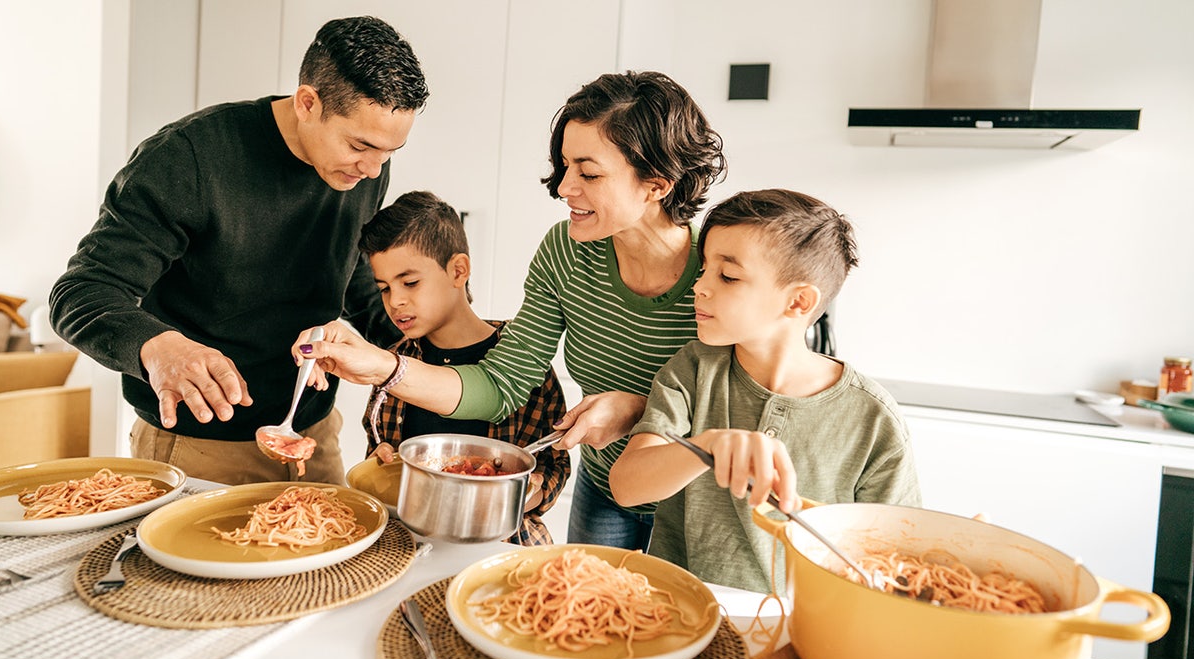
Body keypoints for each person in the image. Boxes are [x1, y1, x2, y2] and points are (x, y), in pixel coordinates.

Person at [293, 71, 725, 549]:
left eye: (589, 172)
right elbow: (499, 385)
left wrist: (641, 412)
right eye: (564, 166)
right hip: (606, 490)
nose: (564, 187)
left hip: (700, 499)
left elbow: (755, 412)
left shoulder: (724, 266)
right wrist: (381, 365)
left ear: (656, 185)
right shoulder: (566, 252)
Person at [48, 16, 429, 485]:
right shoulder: (188, 158)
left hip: (312, 435)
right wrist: (158, 348)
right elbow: (82, 292)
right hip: (196, 443)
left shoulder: (361, 168)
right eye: (360, 146)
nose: (373, 171)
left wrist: (435, 347)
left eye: (389, 153)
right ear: (308, 103)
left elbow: (352, 278)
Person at [608, 189, 921, 594]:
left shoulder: (873, 419)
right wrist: (708, 446)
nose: (699, 287)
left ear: (798, 302)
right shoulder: (693, 369)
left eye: (728, 276)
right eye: (703, 269)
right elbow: (627, 486)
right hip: (681, 606)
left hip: (803, 624)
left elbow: (894, 559)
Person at [356, 190, 570, 545]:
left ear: (458, 270)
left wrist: (523, 491)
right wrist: (382, 465)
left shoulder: (521, 360)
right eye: (384, 288)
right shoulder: (394, 363)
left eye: (410, 283)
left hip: (502, 542)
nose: (396, 301)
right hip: (409, 540)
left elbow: (553, 470)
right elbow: (379, 452)